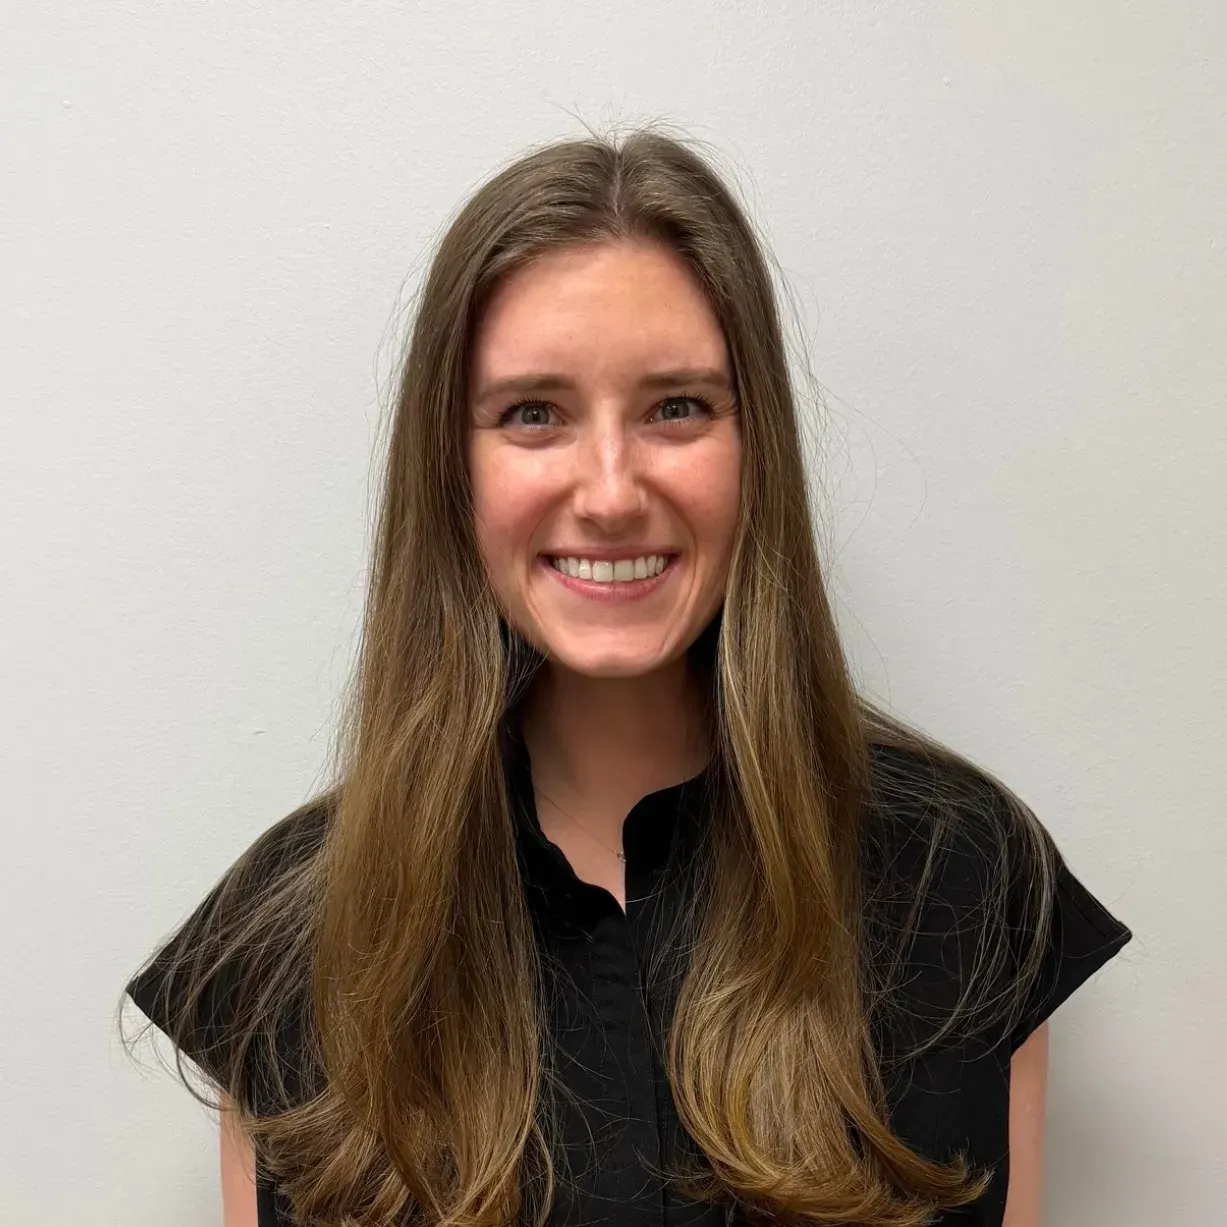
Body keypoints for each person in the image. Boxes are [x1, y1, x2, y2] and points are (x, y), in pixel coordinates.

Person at [120, 124, 1132, 1227]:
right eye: (533, 414)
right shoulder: (290, 939)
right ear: (450, 469)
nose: (609, 490)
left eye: (677, 408)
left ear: (759, 452)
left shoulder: (967, 881)